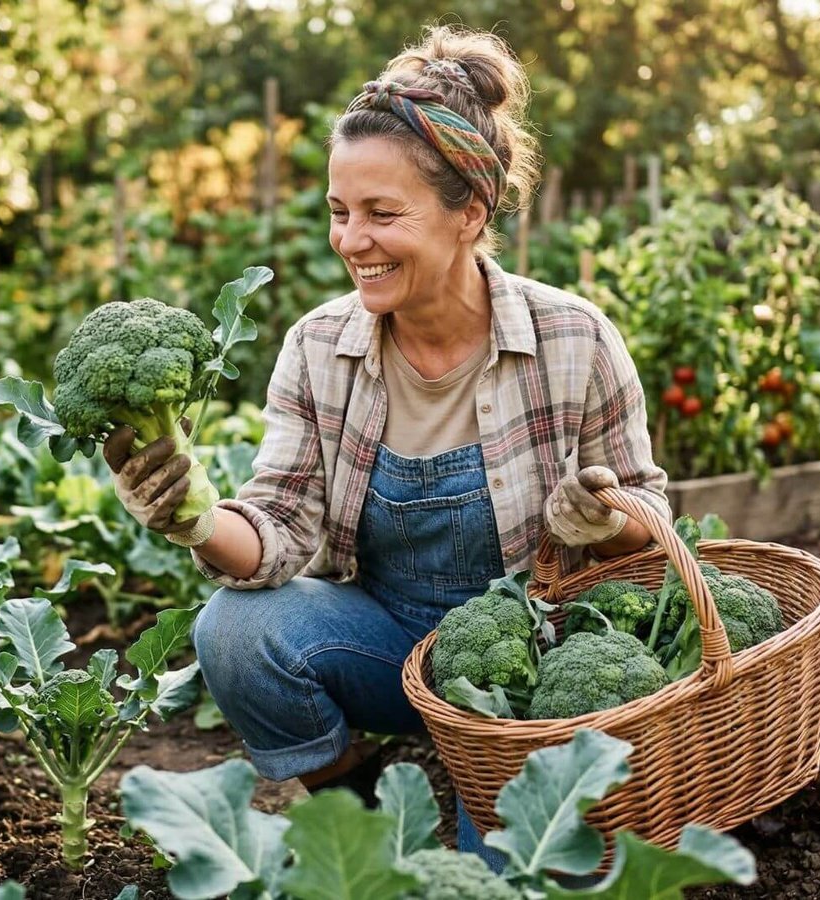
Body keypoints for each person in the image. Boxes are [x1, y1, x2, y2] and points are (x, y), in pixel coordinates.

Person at [101, 25, 669, 863]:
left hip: (531, 670)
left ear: (469, 211)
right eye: (339, 211)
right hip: (386, 640)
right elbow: (280, 523)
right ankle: (364, 808)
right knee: (234, 632)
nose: (350, 241)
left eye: (380, 213)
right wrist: (190, 517)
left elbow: (654, 519)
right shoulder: (319, 347)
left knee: (499, 876)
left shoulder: (574, 340)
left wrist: (606, 521)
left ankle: (478, 788)